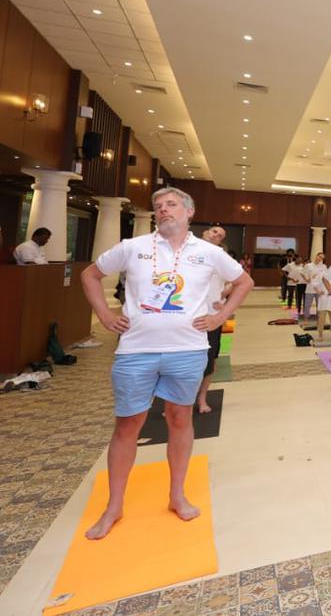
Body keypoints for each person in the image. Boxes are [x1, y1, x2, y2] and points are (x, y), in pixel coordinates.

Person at [79, 187, 253, 540]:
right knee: (128, 424)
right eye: (158, 206)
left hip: (187, 350)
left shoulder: (208, 253)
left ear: (189, 212)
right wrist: (103, 312)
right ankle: (114, 505)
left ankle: (177, 494)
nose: (163, 210)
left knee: (179, 418)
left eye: (171, 205)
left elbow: (243, 281)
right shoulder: (134, 247)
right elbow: (89, 275)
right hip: (135, 350)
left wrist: (221, 318)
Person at [196, 225, 229, 414]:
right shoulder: (186, 251)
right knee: (179, 361)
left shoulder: (220, 257)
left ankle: (202, 399)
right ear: (204, 232)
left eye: (220, 235)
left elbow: (237, 281)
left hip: (212, 317)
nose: (216, 235)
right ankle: (175, 402)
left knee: (209, 362)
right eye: (214, 231)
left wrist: (223, 299)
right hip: (186, 317)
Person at [312, 252, 331, 342]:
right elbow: (314, 283)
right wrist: (318, 291)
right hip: (323, 299)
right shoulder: (322, 274)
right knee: (321, 319)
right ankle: (320, 335)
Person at [302, 253, 325, 321]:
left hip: (319, 289)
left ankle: (318, 319)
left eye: (322, 258)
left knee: (319, 305)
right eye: (319, 256)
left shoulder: (323, 266)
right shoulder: (308, 265)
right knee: (307, 305)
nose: (320, 258)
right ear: (316, 256)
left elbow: (325, 277)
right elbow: (302, 273)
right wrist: (306, 279)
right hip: (310, 288)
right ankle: (306, 318)